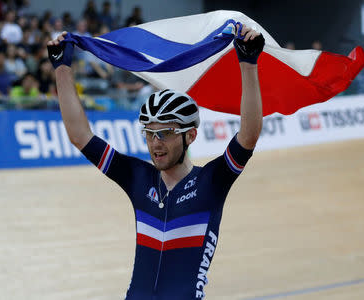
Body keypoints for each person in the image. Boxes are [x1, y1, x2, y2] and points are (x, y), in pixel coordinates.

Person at [47, 23, 264, 299]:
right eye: (149, 134)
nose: (155, 143)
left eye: (165, 133)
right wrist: (61, 68)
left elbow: (248, 135)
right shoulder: (138, 178)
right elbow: (80, 136)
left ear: (191, 135)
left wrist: (247, 63)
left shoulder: (211, 182)